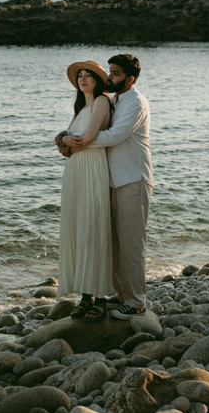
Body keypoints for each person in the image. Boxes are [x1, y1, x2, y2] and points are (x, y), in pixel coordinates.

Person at [58, 53, 152, 318]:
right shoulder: (114, 100)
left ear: (130, 79)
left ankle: (136, 302)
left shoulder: (136, 102)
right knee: (114, 242)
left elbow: (113, 136)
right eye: (110, 71)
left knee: (131, 243)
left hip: (132, 178)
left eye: (116, 73)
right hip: (109, 178)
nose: (109, 77)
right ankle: (121, 295)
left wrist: (71, 139)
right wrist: (65, 138)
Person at [54, 61, 115, 321]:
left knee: (93, 228)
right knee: (79, 228)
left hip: (92, 168)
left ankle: (100, 298)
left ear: (98, 80)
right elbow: (67, 141)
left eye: (88, 75)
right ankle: (85, 297)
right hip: (75, 172)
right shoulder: (81, 107)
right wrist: (64, 139)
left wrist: (65, 139)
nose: (83, 78)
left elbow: (86, 138)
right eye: (80, 75)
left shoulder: (102, 101)